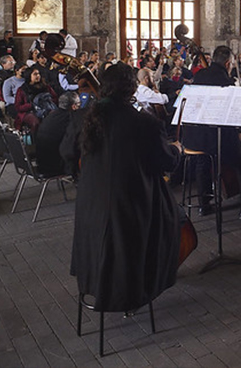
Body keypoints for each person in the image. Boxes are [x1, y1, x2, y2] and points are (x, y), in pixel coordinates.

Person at [62, 63, 181, 313]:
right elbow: (165, 162)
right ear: (132, 90)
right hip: (132, 204)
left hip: (90, 204)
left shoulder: (84, 117)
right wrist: (176, 150)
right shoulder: (144, 123)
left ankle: (98, 284)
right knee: (171, 220)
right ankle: (143, 286)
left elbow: (66, 153)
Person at [183, 46, 241, 220]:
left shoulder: (199, 75)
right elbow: (228, 114)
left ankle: (204, 206)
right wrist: (239, 132)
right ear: (228, 63)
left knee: (202, 163)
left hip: (193, 136)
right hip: (215, 137)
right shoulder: (225, 81)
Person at [35, 91, 79, 177]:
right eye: (79, 104)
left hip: (41, 164)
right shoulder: (70, 118)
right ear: (73, 106)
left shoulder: (51, 115)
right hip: (56, 167)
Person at [15, 66, 57, 133]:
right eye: (35, 74)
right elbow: (18, 107)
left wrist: (47, 102)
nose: (38, 76)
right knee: (35, 122)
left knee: (54, 118)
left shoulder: (46, 86)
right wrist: (31, 105)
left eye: (38, 74)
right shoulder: (22, 90)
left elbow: (55, 98)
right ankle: (36, 141)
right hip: (29, 111)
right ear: (29, 76)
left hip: (46, 108)